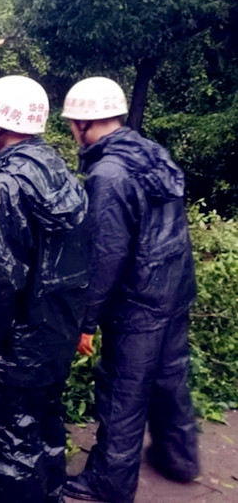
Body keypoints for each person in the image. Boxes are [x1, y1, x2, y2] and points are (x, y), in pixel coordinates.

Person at [61, 77, 199, 503]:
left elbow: (106, 257)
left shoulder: (108, 174)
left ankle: (110, 483)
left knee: (123, 389)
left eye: (71, 123)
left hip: (139, 303)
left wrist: (84, 321)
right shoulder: (149, 153)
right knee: (169, 375)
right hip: (174, 289)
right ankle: (180, 457)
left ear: (84, 124)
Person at [0, 75, 89, 503]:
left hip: (16, 349)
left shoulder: (8, 184)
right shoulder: (62, 176)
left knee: (11, 449)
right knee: (46, 432)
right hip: (55, 338)